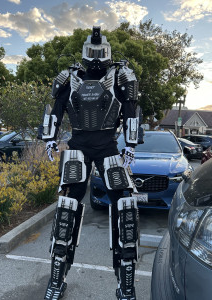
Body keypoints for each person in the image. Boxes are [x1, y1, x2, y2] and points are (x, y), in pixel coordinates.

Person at [38, 26, 142, 300]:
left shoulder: (122, 75)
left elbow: (131, 110)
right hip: (78, 145)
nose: (96, 57)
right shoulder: (69, 77)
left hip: (108, 146)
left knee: (125, 207)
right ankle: (56, 281)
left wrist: (130, 145)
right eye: (92, 52)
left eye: (100, 52)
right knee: (67, 207)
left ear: (107, 52)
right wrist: (50, 138)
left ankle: (126, 285)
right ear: (85, 53)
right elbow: (56, 109)